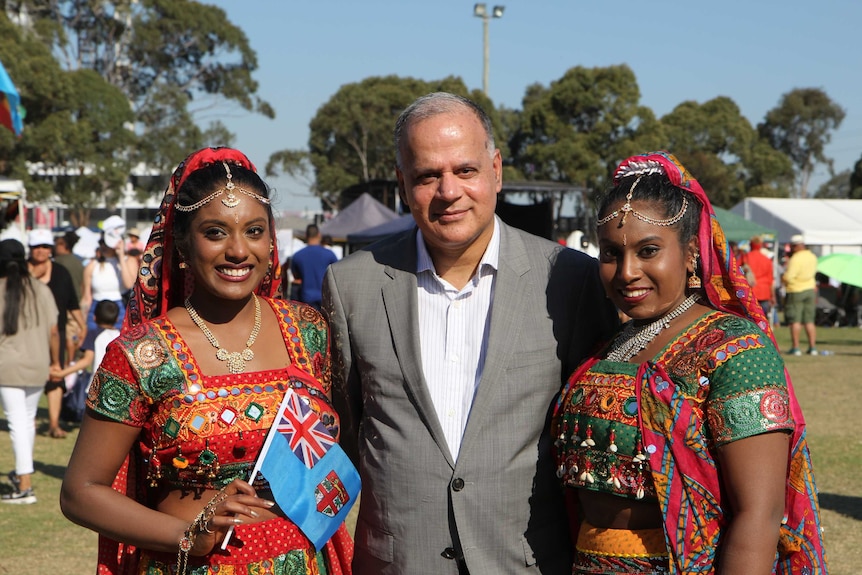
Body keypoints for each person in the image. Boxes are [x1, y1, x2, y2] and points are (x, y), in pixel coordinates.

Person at [323, 92, 618, 574]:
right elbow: (349, 429)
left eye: (465, 170)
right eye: (426, 176)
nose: (448, 191)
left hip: (524, 561)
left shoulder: (568, 278)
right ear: (402, 183)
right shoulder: (352, 283)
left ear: (496, 170)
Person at [60, 147, 354, 574]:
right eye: (215, 233)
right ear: (181, 244)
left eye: (254, 231)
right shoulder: (141, 355)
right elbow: (80, 491)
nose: (238, 250)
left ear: (271, 242)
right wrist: (187, 537)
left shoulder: (309, 330)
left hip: (305, 562)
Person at [552, 151, 828, 574]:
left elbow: (759, 513)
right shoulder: (610, 345)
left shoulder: (735, 351)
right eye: (610, 253)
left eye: (648, 251)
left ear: (692, 254)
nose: (627, 271)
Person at [0, 239, 60, 504]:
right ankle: (23, 476)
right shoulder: (40, 289)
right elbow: (54, 331)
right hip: (38, 363)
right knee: (26, 421)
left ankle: (25, 484)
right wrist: (55, 362)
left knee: (18, 422)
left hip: (7, 365)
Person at [27, 228, 87, 438]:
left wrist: (82, 325)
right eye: (37, 247)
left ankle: (54, 424)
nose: (41, 251)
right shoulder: (21, 272)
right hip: (27, 334)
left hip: (56, 334)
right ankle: (29, 421)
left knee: (55, 377)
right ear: (30, 249)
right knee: (29, 378)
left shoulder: (61, 273)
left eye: (45, 247)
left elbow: (72, 303)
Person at [80, 217, 137, 332]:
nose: (104, 246)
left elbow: (129, 284)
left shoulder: (129, 261)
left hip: (120, 308)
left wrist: (121, 256)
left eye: (107, 242)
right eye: (102, 242)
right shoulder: (92, 265)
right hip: (96, 309)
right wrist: (82, 323)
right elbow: (87, 297)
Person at [50, 299, 121, 388]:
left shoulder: (93, 334)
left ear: (94, 317)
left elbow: (86, 360)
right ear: (117, 319)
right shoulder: (121, 337)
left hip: (97, 387)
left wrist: (62, 373)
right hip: (117, 386)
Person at [54, 230, 87, 365]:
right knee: (73, 335)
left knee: (65, 335)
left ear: (63, 245)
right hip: (77, 302)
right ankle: (72, 362)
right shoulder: (79, 262)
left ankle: (68, 363)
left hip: (62, 303)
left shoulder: (58, 262)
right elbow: (83, 284)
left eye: (57, 244)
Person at [782, 234, 818, 355]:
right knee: (809, 320)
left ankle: (796, 347)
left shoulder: (795, 259)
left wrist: (784, 279)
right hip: (810, 289)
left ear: (796, 246)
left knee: (795, 320)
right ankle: (812, 347)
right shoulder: (812, 256)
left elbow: (789, 276)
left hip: (796, 290)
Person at [291, 224, 338, 310]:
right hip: (325, 298)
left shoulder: (297, 256)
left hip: (306, 299)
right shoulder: (330, 254)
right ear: (319, 235)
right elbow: (338, 275)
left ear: (306, 235)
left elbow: (296, 277)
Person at [745, 236, 776, 324]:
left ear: (751, 245)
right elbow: (770, 280)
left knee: (750, 319)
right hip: (764, 292)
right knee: (762, 319)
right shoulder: (767, 260)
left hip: (750, 291)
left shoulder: (746, 257)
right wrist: (773, 295)